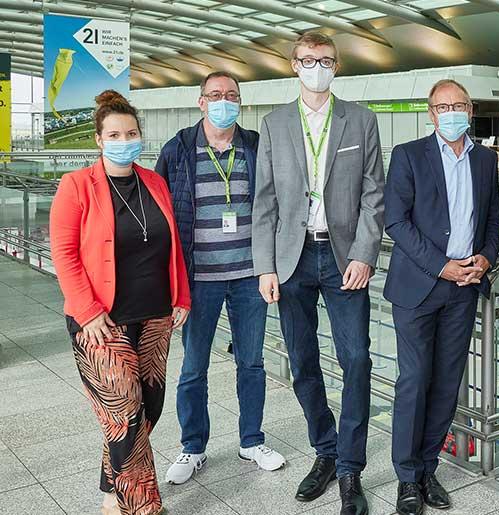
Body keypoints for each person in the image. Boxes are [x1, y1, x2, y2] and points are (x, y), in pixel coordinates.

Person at [251, 31, 385, 513]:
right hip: (293, 259)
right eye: (308, 60)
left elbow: (374, 194)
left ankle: (350, 468)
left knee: (357, 359)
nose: (316, 67)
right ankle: (325, 451)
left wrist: (365, 254)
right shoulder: (274, 124)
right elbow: (264, 201)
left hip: (345, 256)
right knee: (303, 360)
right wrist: (265, 266)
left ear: (337, 66)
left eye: (325, 60)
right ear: (294, 64)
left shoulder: (361, 120)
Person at [50, 90, 191, 515]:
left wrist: (181, 296)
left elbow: (172, 245)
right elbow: (64, 253)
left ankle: (112, 494)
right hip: (101, 321)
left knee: (147, 410)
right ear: (99, 139)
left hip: (155, 315)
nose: (124, 140)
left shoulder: (154, 183)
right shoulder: (77, 185)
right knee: (125, 415)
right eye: (114, 135)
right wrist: (87, 310)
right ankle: (142, 507)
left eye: (130, 133)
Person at [155, 71, 286, 485]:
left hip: (250, 276)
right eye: (215, 95)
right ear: (201, 102)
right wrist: (169, 280)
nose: (223, 101)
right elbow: (161, 214)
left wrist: (271, 265)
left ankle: (252, 440)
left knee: (252, 362)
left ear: (240, 102)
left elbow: (275, 204)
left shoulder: (255, 146)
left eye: (231, 95)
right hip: (199, 279)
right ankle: (193, 447)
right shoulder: (178, 149)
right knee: (193, 367)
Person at [383, 79, 499, 515]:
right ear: (431, 113)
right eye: (442, 106)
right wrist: (440, 265)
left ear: (470, 110)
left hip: (464, 288)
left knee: (448, 383)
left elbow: (492, 218)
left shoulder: (484, 159)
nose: (451, 113)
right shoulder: (409, 155)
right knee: (414, 381)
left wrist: (486, 257)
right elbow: (396, 221)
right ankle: (407, 477)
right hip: (418, 287)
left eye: (459, 105)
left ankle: (428, 468)